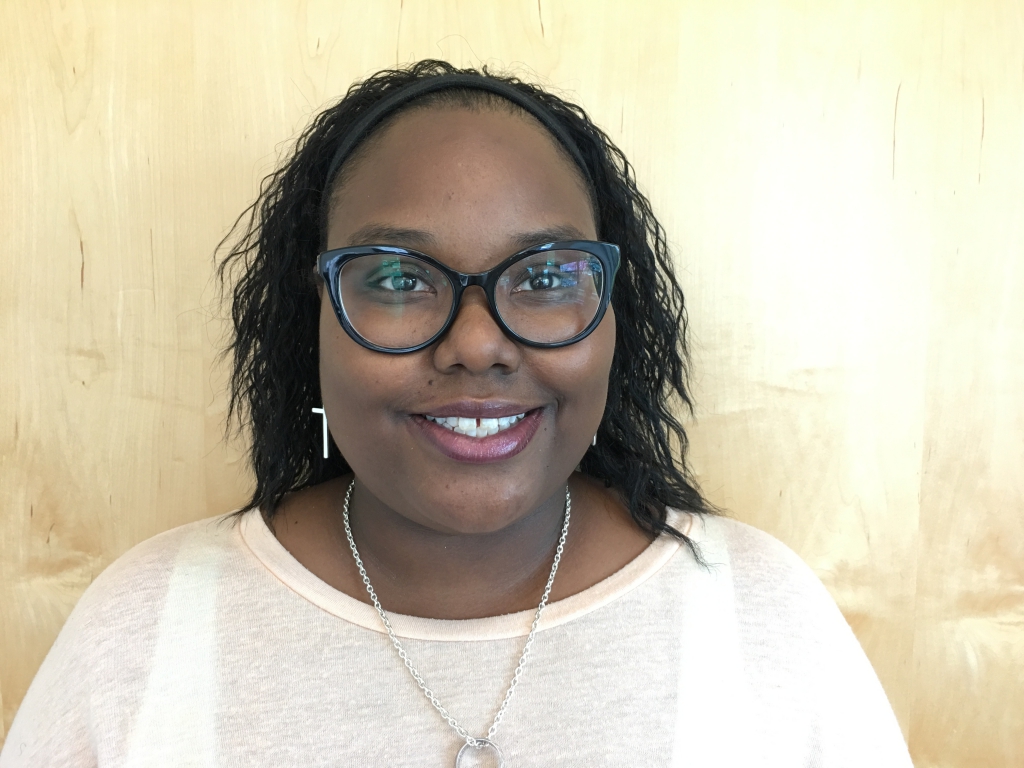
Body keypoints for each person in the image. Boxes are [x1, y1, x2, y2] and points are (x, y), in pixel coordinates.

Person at [0, 60, 913, 767]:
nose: (477, 344)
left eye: (546, 275)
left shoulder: (761, 620)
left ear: (614, 317)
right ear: (313, 318)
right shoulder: (144, 629)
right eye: (399, 279)